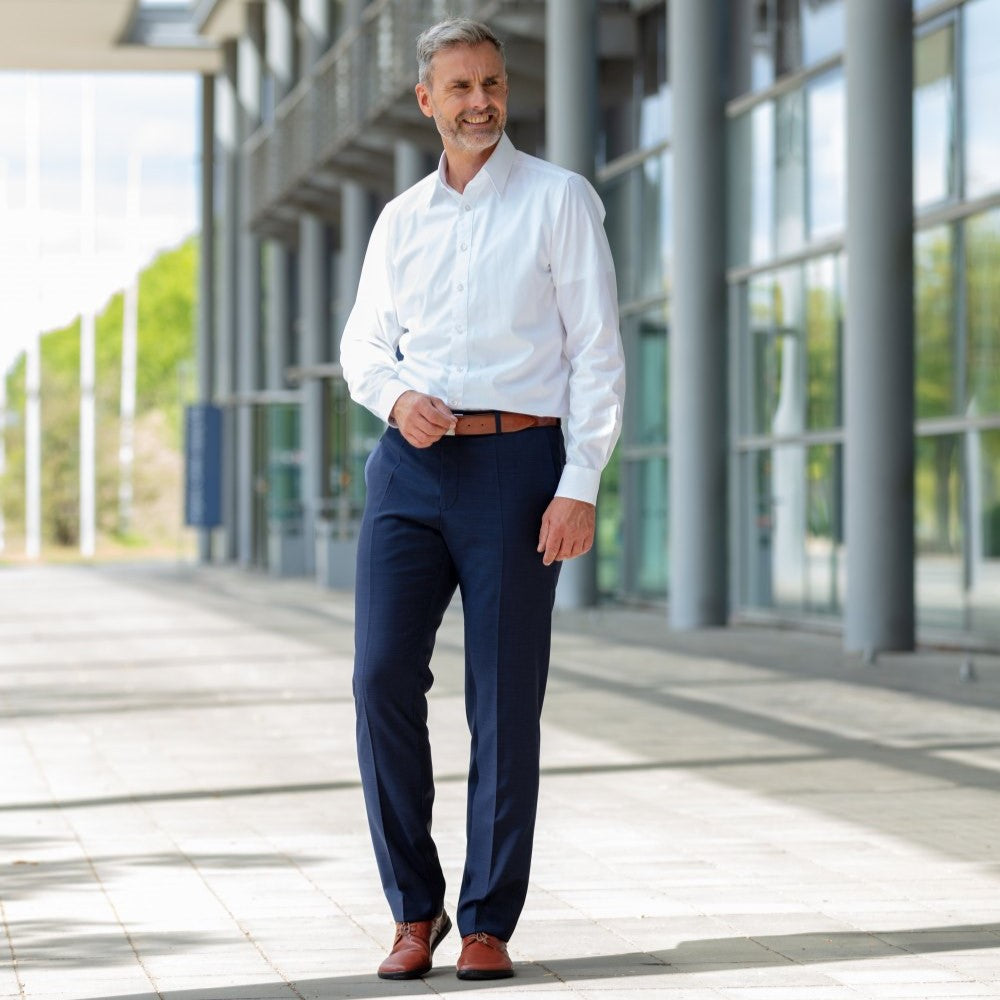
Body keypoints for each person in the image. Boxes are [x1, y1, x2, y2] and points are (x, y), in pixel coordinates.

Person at [340, 17, 625, 982]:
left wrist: (578, 482)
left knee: (504, 702)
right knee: (380, 677)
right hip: (411, 472)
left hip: (518, 469)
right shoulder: (399, 222)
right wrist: (396, 395)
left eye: (491, 83)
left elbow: (596, 355)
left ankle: (488, 920)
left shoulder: (559, 200)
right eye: (459, 87)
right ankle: (412, 912)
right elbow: (361, 349)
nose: (479, 102)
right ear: (427, 101)